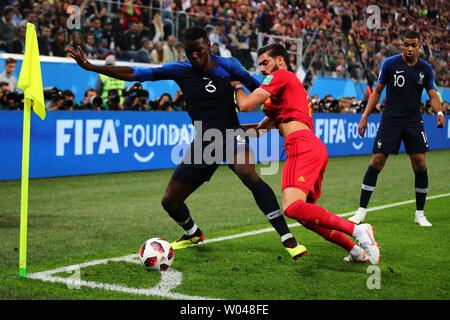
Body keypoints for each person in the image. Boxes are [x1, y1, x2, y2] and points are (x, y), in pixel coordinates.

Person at [69, 26, 306, 260]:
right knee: (170, 201)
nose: (194, 56)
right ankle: (192, 233)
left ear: (208, 47)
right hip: (204, 141)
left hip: (232, 134)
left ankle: (287, 237)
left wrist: (289, 113)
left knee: (246, 171)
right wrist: (91, 66)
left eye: (199, 51)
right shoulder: (180, 70)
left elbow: (262, 90)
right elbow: (136, 73)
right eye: (189, 51)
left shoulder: (230, 66)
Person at [233, 43, 380, 265]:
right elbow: (260, 130)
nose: (262, 69)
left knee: (292, 207)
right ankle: (355, 249)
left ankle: (358, 231)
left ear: (280, 60)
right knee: (305, 215)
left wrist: (236, 85)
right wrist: (228, 130)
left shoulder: (282, 75)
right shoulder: (283, 95)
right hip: (312, 147)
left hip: (300, 146)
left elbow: (244, 105)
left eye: (266, 63)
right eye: (260, 64)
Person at [348, 31, 446, 227]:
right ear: (402, 45)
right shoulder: (390, 64)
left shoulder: (425, 69)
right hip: (390, 119)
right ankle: (361, 211)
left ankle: (419, 214)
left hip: (413, 120)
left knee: (419, 163)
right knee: (377, 161)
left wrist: (440, 113)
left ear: (419, 46)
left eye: (413, 45)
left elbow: (433, 95)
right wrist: (364, 117)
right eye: (406, 45)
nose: (410, 49)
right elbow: (377, 92)